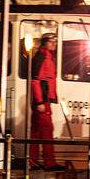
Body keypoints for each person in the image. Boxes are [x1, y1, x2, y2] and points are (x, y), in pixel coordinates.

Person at [28, 33, 65, 170]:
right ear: (44, 43)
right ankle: (50, 163)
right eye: (51, 42)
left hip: (43, 99)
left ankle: (33, 162)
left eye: (55, 41)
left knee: (36, 132)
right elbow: (35, 81)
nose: (54, 44)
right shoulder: (42, 57)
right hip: (42, 101)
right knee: (47, 130)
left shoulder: (46, 57)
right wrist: (39, 102)